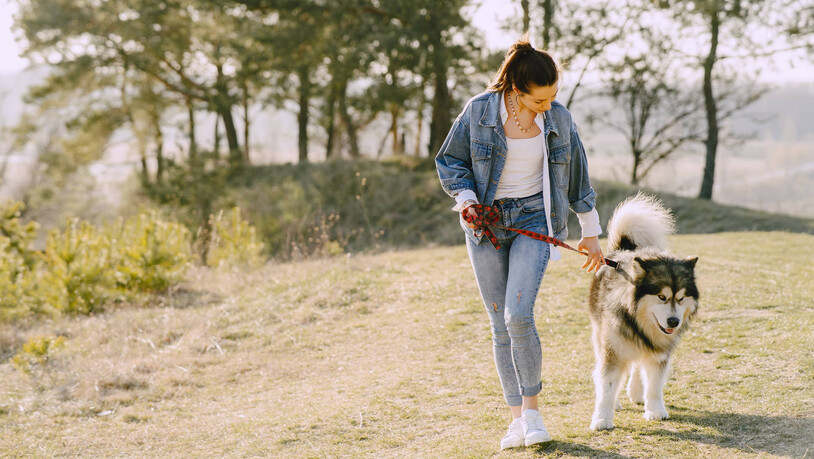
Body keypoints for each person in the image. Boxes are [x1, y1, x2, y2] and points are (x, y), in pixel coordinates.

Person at [434, 36, 605, 449]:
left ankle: (533, 413)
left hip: (535, 219)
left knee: (517, 315)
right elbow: (450, 161)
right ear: (515, 89)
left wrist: (591, 232)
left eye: (552, 98)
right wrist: (466, 198)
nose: (547, 107)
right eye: (539, 101)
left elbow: (578, 176)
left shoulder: (559, 119)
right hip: (485, 225)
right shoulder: (479, 111)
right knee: (499, 324)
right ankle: (516, 421)